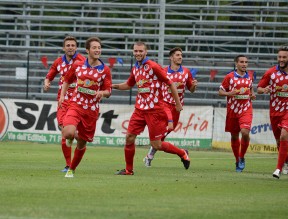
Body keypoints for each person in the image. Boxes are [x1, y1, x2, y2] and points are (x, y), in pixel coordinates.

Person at [112, 41, 190, 175]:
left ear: (146, 52)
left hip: (154, 110)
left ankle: (182, 153)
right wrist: (113, 86)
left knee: (156, 145)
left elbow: (170, 83)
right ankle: (129, 170)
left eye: (140, 51)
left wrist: (178, 103)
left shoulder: (153, 66)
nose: (138, 53)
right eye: (135, 51)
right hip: (139, 109)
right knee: (129, 137)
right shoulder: (136, 68)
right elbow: (129, 85)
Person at [59, 37, 112, 178]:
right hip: (75, 104)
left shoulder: (105, 70)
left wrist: (102, 92)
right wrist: (62, 96)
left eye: (99, 47)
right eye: (94, 48)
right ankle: (71, 137)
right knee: (68, 132)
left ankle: (72, 169)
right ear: (87, 50)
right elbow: (67, 80)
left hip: (91, 111)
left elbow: (109, 90)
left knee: (82, 143)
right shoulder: (77, 65)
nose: (97, 50)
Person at [257, 47, 288, 179]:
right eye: (279, 57)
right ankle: (287, 159)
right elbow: (258, 89)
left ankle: (278, 169)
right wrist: (265, 90)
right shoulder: (270, 73)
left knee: (284, 135)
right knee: (279, 141)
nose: (281, 59)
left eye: (284, 57)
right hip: (275, 110)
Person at [143, 47, 197, 167]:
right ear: (171, 57)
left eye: (181, 55)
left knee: (163, 134)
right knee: (161, 134)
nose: (180, 57)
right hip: (164, 105)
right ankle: (179, 153)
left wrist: (194, 86)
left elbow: (191, 90)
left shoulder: (186, 72)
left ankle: (150, 156)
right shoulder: (163, 71)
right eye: (177, 55)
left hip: (177, 108)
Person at [43, 36, 86, 172]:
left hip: (78, 100)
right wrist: (47, 83)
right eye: (68, 45)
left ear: (76, 47)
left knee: (71, 133)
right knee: (64, 130)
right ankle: (68, 164)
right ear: (64, 48)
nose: (70, 47)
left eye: (73, 45)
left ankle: (70, 165)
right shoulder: (58, 62)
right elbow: (49, 75)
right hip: (63, 100)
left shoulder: (82, 61)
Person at [218, 55, 256, 172]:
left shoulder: (250, 76)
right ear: (236, 64)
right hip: (233, 110)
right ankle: (237, 160)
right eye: (241, 62)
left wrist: (252, 94)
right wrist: (229, 93)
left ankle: (242, 157)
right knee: (234, 136)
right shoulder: (229, 77)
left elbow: (251, 89)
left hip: (246, 109)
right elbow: (220, 92)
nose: (244, 64)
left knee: (245, 132)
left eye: (246, 62)